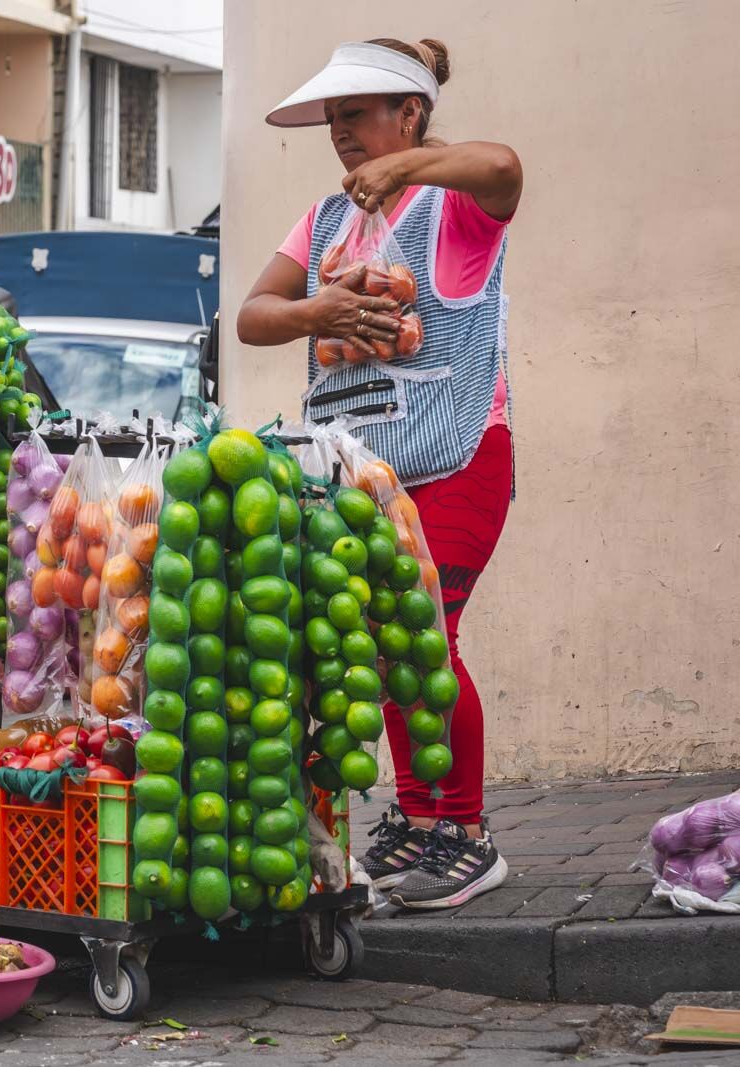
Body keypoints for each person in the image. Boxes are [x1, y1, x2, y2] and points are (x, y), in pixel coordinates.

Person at [238, 38, 523, 909]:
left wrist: (412, 166)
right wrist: (314, 310)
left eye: (354, 115)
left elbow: (504, 164)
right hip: (360, 479)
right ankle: (421, 816)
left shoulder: (457, 214)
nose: (340, 134)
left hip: (457, 457)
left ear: (409, 114)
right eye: (332, 120)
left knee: (426, 637)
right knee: (379, 637)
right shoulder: (325, 224)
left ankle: (465, 831)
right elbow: (254, 315)